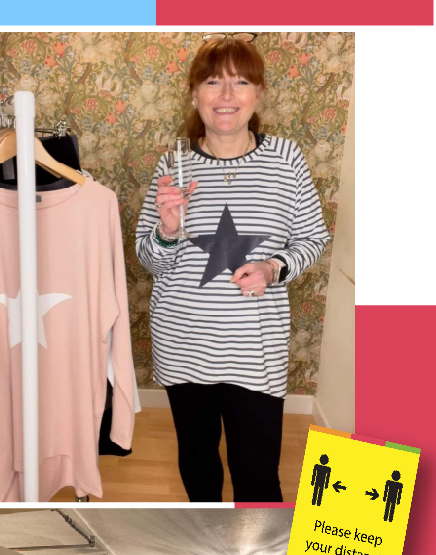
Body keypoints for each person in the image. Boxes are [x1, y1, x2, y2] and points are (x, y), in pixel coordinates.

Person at [135, 36, 330, 503]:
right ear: (194, 94)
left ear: (257, 93)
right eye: (212, 82)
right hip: (185, 345)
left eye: (240, 82)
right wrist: (167, 228)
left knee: (257, 475)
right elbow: (150, 260)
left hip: (254, 350)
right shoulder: (174, 163)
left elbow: (313, 239)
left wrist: (273, 266)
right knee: (198, 465)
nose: (226, 95)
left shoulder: (286, 159)